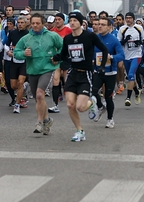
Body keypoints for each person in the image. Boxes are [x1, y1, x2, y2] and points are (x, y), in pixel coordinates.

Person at [51, 11, 108, 141]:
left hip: (86, 74)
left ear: (81, 23)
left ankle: (92, 102)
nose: (72, 23)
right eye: (70, 20)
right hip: (72, 73)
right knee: (70, 105)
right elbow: (64, 54)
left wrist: (102, 67)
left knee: (80, 107)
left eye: (75, 20)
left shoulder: (90, 36)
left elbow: (104, 49)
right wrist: (56, 57)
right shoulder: (68, 39)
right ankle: (80, 131)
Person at [13, 13, 63, 134]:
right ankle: (47, 120)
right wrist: (24, 53)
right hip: (32, 70)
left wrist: (57, 57)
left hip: (47, 68)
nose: (35, 26)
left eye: (38, 23)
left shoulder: (52, 36)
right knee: (38, 99)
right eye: (33, 23)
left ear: (43, 24)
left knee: (40, 95)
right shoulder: (26, 38)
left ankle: (39, 122)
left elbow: (63, 48)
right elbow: (16, 52)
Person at [91, 17, 125, 128]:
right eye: (98, 24)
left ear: (109, 27)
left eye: (103, 24)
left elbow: (121, 55)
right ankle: (100, 107)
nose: (99, 26)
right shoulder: (95, 38)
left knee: (108, 96)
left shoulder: (113, 40)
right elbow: (90, 52)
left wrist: (112, 57)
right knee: (94, 91)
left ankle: (110, 119)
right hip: (98, 71)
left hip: (110, 72)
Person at [117, 12, 144, 106]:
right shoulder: (122, 29)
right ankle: (137, 92)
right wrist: (125, 40)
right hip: (126, 56)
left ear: (133, 19)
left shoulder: (139, 28)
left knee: (130, 74)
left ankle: (128, 97)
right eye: (126, 18)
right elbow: (118, 43)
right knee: (130, 77)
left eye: (130, 18)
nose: (128, 20)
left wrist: (139, 42)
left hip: (136, 55)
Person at [48, 12, 73, 113]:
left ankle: (71, 101)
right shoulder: (51, 32)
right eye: (56, 19)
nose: (57, 21)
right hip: (56, 58)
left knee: (66, 80)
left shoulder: (68, 30)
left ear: (63, 20)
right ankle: (55, 104)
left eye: (59, 19)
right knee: (55, 80)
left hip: (66, 57)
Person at [5, 16, 29, 113]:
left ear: (26, 23)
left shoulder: (29, 34)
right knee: (13, 86)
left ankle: (17, 104)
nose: (20, 24)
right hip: (14, 61)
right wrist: (8, 52)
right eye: (18, 22)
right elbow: (7, 45)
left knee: (20, 82)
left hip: (24, 61)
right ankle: (24, 88)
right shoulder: (12, 33)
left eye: (22, 22)